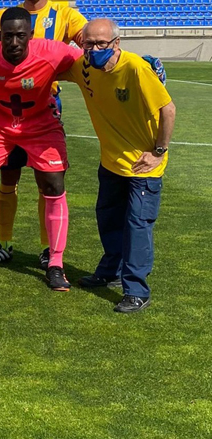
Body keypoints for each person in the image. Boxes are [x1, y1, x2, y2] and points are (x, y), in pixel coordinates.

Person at [0, 7, 82, 291]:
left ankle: (56, 263)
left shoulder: (52, 51)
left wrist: (135, 63)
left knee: (54, 186)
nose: (14, 42)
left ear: (30, 36)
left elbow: (88, 59)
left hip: (41, 124)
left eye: (20, 36)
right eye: (8, 36)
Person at [0, 0, 87, 268]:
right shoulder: (4, 17)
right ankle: (4, 243)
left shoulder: (65, 15)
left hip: (44, 107)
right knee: (8, 179)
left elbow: (86, 40)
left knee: (45, 182)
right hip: (6, 106)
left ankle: (49, 249)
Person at [58, 19, 175, 313]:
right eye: (89, 44)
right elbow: (53, 61)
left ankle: (136, 290)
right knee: (108, 218)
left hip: (142, 165)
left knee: (137, 225)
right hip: (111, 161)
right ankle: (110, 271)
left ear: (116, 44)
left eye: (102, 44)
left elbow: (168, 110)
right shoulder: (84, 67)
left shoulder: (136, 68)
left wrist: (159, 152)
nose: (95, 49)